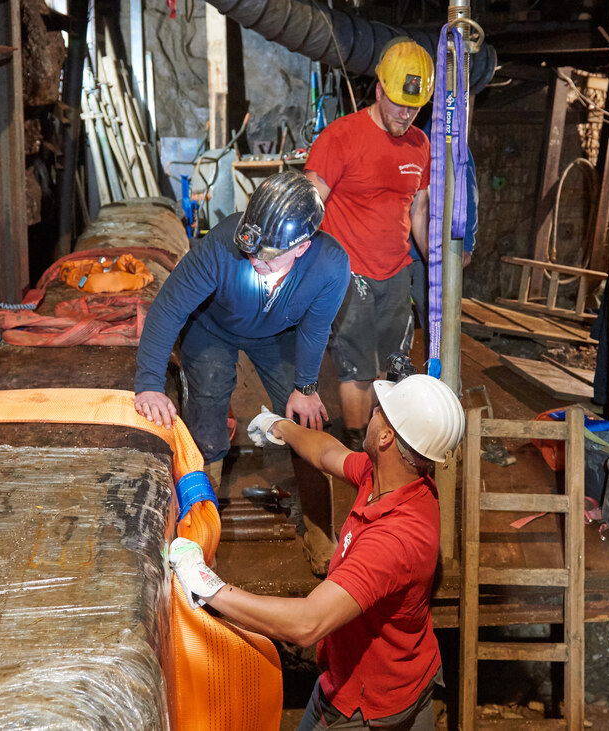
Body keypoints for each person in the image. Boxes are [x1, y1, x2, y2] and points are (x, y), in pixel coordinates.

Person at [169, 374, 466, 730]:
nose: (373, 411)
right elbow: (328, 453)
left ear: (387, 437)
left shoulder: (393, 540)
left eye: (380, 412)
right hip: (408, 673)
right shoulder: (397, 479)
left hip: (364, 702)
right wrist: (279, 427)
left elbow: (307, 623)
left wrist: (209, 587)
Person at [133, 170, 351, 546]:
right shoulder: (221, 247)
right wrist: (150, 384)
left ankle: (318, 529)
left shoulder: (330, 267)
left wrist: (305, 386)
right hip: (213, 326)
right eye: (250, 251)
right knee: (208, 402)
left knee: (305, 416)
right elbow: (169, 309)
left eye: (266, 257)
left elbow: (315, 330)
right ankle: (202, 520)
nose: (253, 261)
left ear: (301, 247)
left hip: (278, 332)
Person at [304, 38, 434, 451]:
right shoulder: (341, 137)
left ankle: (380, 450)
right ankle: (357, 449)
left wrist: (437, 262)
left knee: (391, 369)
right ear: (378, 89)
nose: (406, 113)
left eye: (414, 107)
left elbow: (418, 212)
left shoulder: (421, 145)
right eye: (398, 103)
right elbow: (310, 202)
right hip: (349, 273)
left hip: (396, 272)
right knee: (357, 370)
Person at [409, 114, 479, 353]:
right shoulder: (409, 143)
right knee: (396, 321)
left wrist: (466, 242)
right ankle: (397, 380)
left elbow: (467, 193)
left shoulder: (450, 145)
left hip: (430, 252)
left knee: (435, 318)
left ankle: (442, 381)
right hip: (399, 251)